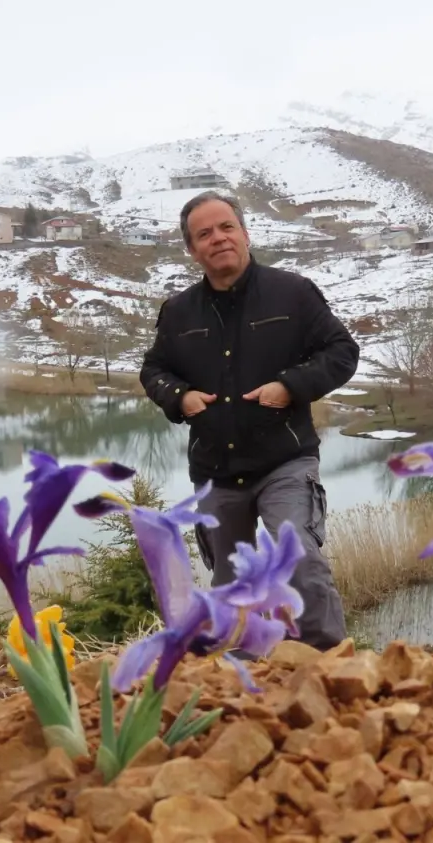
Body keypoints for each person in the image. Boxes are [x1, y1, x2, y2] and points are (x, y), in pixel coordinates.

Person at [138, 191, 360, 651]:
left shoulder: (292, 293)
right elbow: (153, 371)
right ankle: (241, 678)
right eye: (204, 234)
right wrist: (179, 398)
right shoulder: (178, 313)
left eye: (226, 227)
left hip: (286, 460)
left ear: (244, 232)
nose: (218, 239)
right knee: (230, 582)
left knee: (296, 555)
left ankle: (331, 663)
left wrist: (291, 386)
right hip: (216, 471)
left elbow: (342, 352)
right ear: (192, 249)